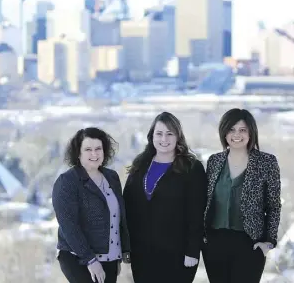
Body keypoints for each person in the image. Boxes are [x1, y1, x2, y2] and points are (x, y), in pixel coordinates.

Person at [123, 111, 207, 283]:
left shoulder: (191, 168)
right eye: (159, 133)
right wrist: (126, 246)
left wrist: (192, 250)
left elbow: (197, 211)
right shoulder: (140, 164)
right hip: (142, 252)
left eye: (170, 134)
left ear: (178, 137)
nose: (164, 139)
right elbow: (127, 207)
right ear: (151, 136)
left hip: (178, 253)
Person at [202, 108, 282, 283]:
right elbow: (205, 201)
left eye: (242, 130)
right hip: (215, 243)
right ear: (224, 132)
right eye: (231, 129)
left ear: (251, 133)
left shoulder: (266, 162)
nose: (236, 134)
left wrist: (268, 242)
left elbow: (274, 206)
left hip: (250, 244)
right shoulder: (214, 161)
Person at [52, 127, 130, 283]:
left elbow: (119, 216)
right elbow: (69, 226)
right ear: (78, 153)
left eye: (98, 149)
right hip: (78, 259)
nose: (94, 154)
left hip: (110, 259)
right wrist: (90, 260)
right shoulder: (67, 182)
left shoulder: (111, 177)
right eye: (88, 149)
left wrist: (121, 251)